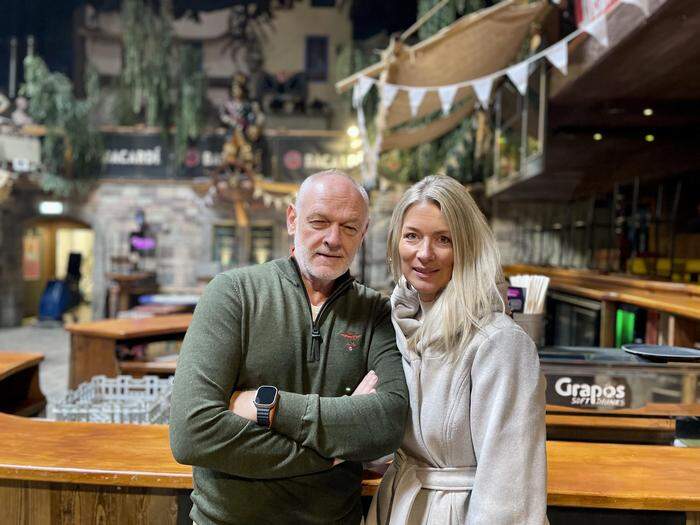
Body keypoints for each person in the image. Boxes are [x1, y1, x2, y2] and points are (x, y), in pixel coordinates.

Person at [170, 169, 409, 525]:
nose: (332, 239)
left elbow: (388, 423)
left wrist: (270, 406)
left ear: (363, 233)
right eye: (319, 222)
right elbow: (192, 434)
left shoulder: (375, 312)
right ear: (292, 219)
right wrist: (332, 452)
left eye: (348, 227)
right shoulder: (233, 294)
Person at [368, 175, 548, 524]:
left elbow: (509, 490)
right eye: (412, 236)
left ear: (467, 246)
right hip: (398, 506)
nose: (424, 253)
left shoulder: (499, 342)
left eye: (443, 239)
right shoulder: (394, 325)